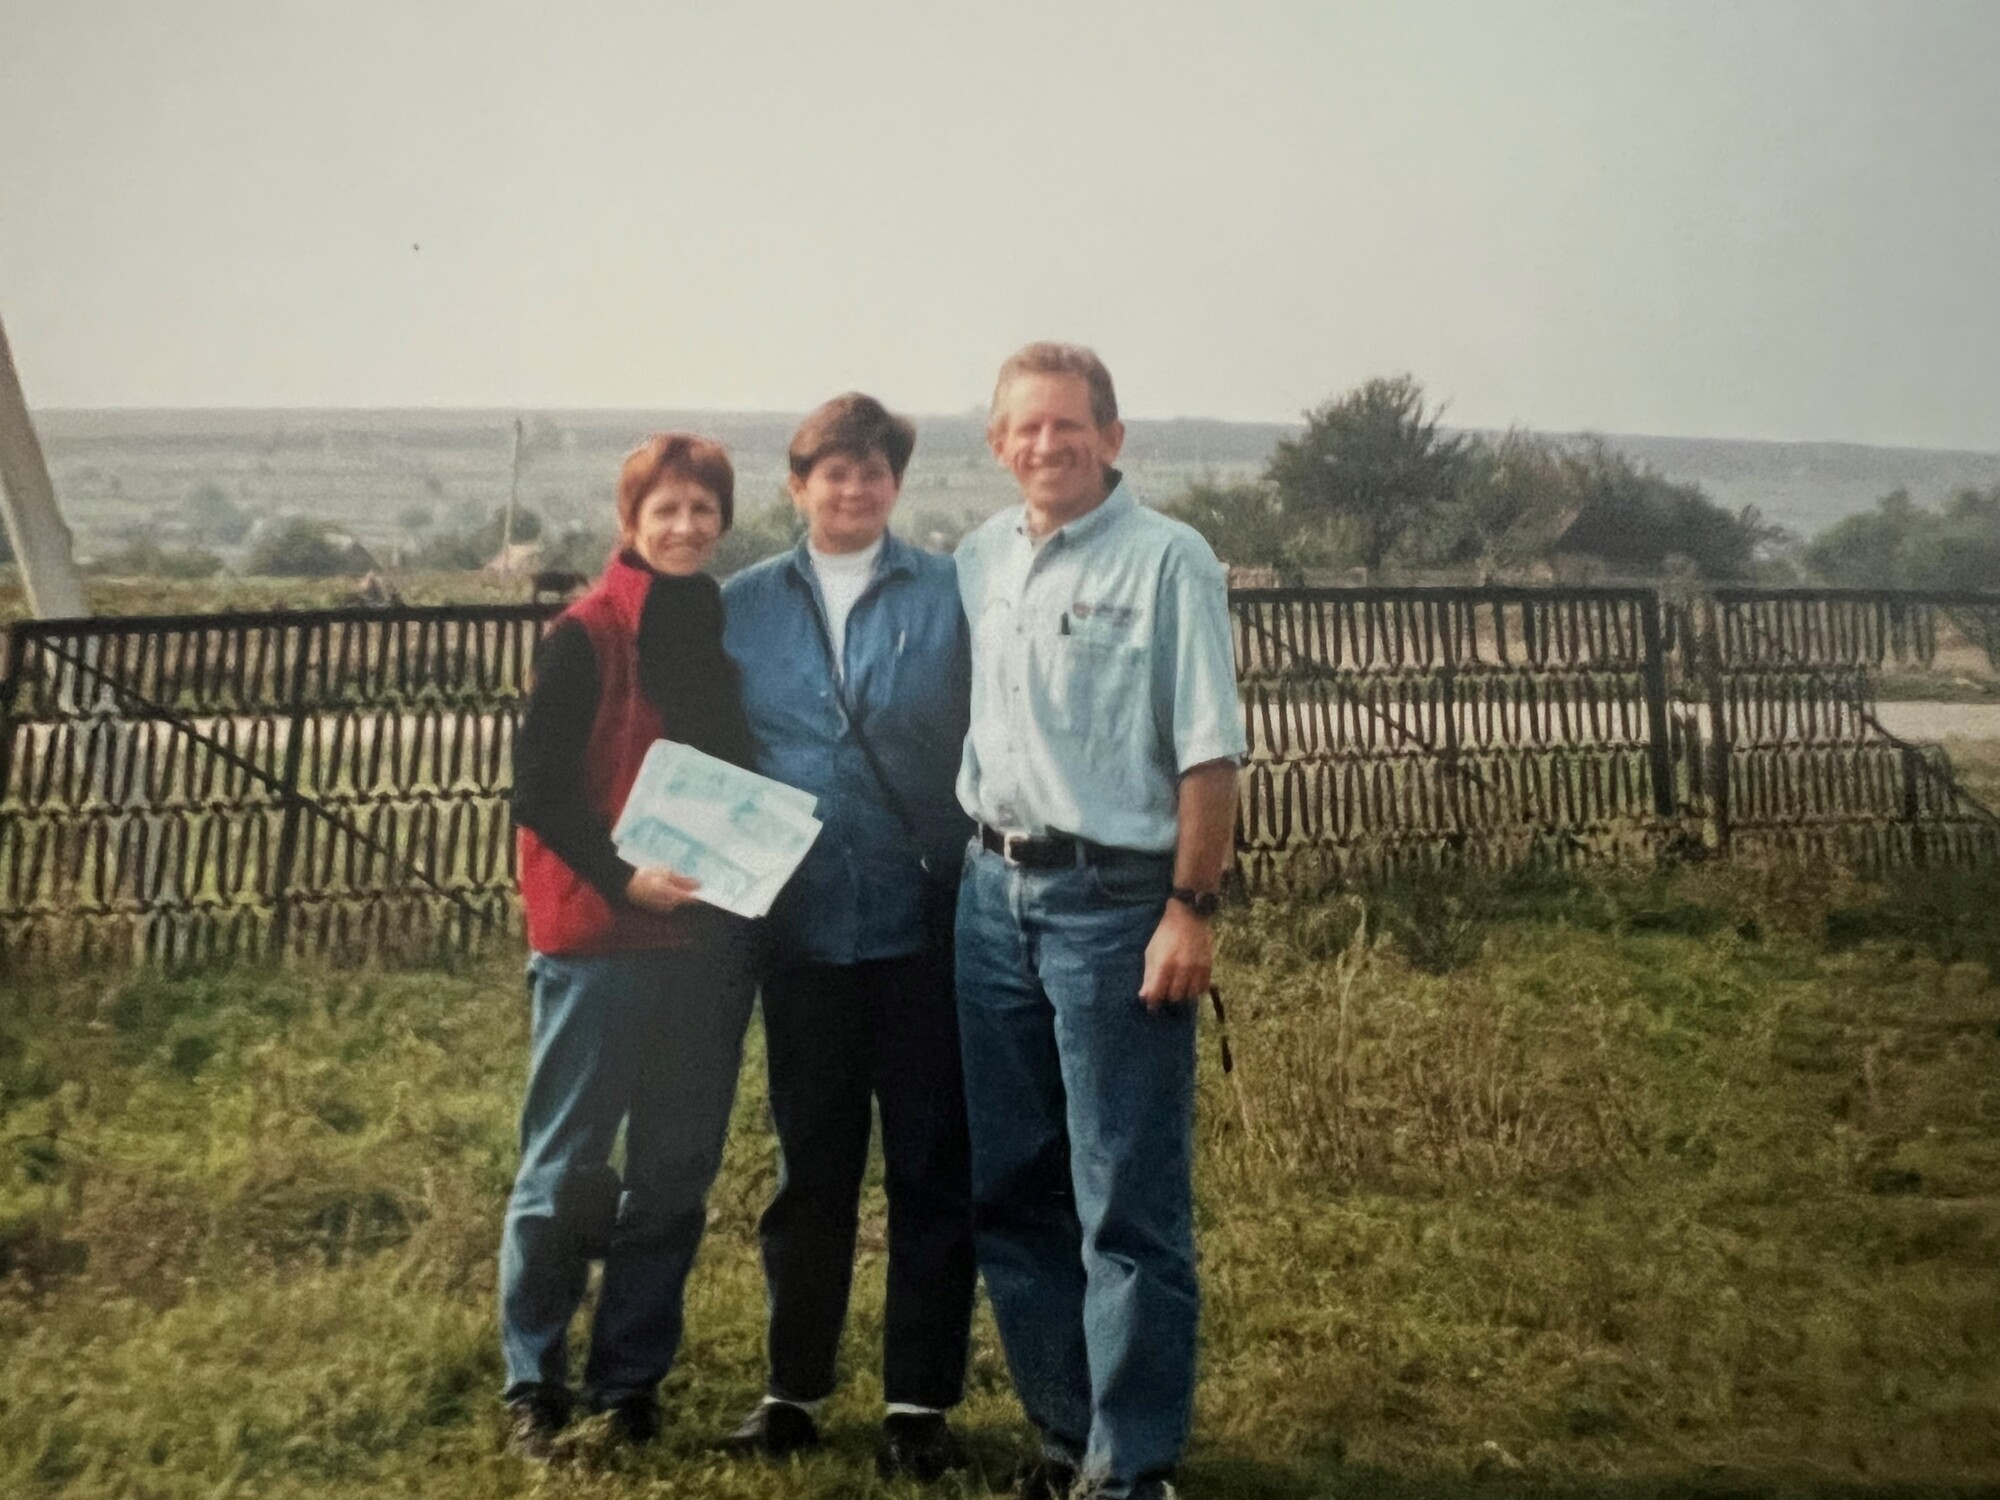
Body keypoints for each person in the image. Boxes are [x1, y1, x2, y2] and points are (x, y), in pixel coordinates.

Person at [953, 344, 1244, 1500]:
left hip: (1113, 905)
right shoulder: (979, 558)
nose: (1044, 445)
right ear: (996, 444)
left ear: (1111, 438)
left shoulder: (1170, 561)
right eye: (1022, 428)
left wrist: (1188, 909)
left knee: (1123, 1196)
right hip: (988, 901)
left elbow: (1209, 755)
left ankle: (1131, 1471)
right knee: (1014, 1184)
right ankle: (1064, 1438)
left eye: (1067, 426)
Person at [720, 393, 977, 1480]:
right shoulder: (741, 606)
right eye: (832, 471)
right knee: (810, 1169)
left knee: (929, 1167)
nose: (853, 488)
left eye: (873, 470)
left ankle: (917, 1405)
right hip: (802, 932)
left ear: (895, 484)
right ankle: (792, 1393)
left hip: (925, 924)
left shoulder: (951, 595)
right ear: (797, 484)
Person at [500, 433, 760, 1459]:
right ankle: (534, 1383)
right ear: (631, 521)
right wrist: (621, 880)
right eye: (667, 510)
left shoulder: (723, 628)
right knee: (564, 1168)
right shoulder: (587, 631)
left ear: (722, 521)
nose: (686, 527)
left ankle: (629, 1384)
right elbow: (539, 792)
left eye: (703, 510)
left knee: (673, 1170)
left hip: (703, 944)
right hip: (600, 938)